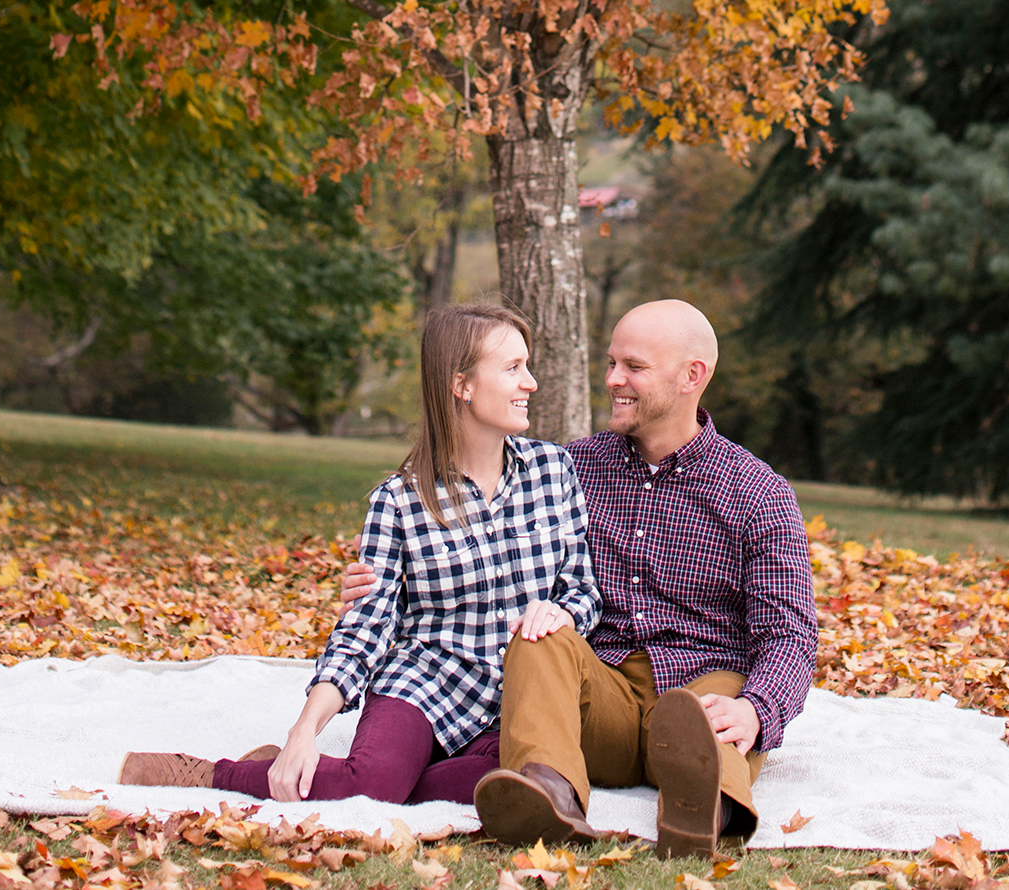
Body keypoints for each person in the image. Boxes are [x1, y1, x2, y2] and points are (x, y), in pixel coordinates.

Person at [341, 298, 817, 856]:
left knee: (709, 719)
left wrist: (758, 710)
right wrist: (393, 564)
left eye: (633, 367)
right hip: (603, 689)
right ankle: (549, 795)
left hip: (702, 684)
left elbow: (790, 635)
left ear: (693, 376)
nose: (613, 380)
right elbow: (473, 508)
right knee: (539, 637)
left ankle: (704, 809)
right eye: (611, 363)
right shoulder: (569, 469)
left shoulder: (758, 493)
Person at [117, 302, 601, 806]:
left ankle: (356, 776)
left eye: (527, 366)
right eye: (513, 368)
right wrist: (303, 731)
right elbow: (365, 628)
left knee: (520, 780)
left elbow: (583, 591)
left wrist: (562, 611)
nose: (532, 383)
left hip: (512, 699)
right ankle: (214, 775)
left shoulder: (553, 470)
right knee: (372, 782)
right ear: (463, 385)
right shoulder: (400, 500)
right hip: (426, 683)